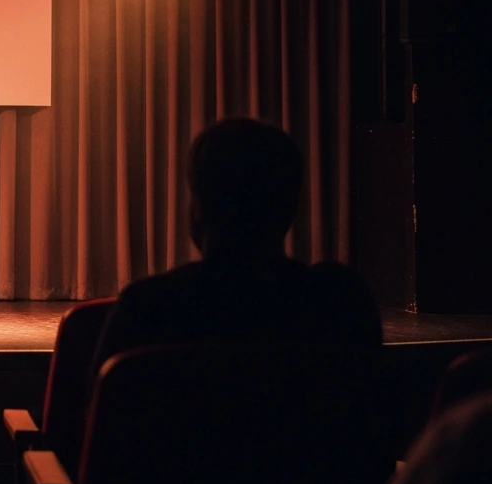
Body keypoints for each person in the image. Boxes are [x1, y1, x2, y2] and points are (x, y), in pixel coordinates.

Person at [92, 117, 382, 378]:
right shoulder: (341, 306)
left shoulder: (145, 310)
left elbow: (89, 427)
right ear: (291, 208)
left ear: (197, 211)